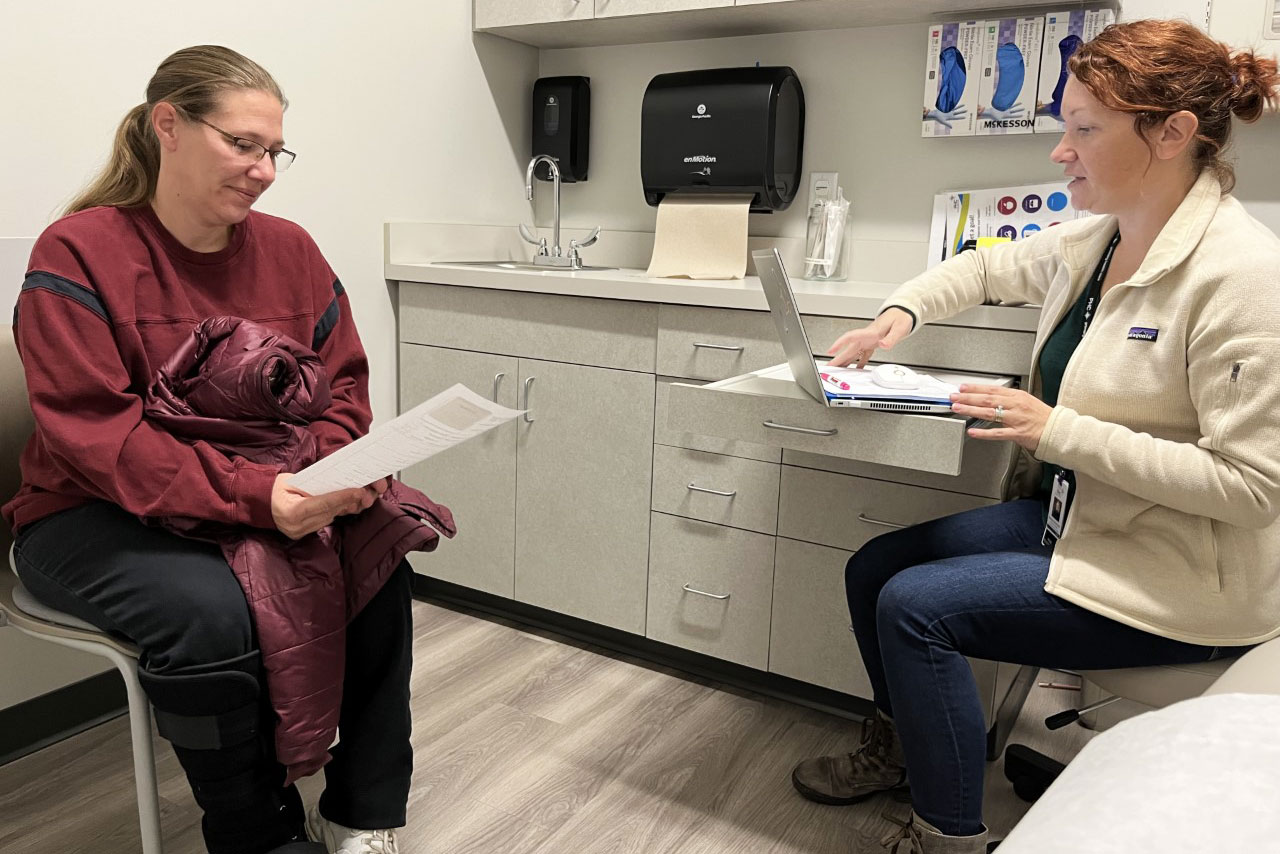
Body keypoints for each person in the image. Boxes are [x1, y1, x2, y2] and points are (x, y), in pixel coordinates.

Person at [789, 19, 1280, 854]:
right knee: (875, 567)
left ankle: (948, 834)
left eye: (1085, 129)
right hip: (1087, 521)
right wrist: (894, 318)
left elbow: (1253, 487)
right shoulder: (1101, 238)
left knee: (915, 607)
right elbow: (982, 266)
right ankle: (910, 750)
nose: (1062, 152)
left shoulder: (1242, 278)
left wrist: (1060, 430)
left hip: (1178, 576)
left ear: (1172, 134)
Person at [5, 46, 417, 854]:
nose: (264, 170)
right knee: (210, 611)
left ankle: (363, 813)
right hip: (87, 511)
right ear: (169, 126)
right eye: (243, 144)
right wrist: (262, 498)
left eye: (275, 151)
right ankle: (257, 830)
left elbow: (344, 389)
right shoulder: (77, 251)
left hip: (261, 492)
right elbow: (101, 438)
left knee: (381, 553)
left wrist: (327, 475)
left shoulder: (291, 250)